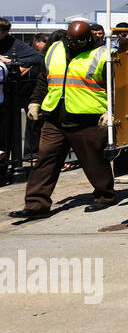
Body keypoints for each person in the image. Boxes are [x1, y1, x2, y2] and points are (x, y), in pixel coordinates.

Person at [9, 21, 117, 218]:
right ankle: (36, 204)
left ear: (89, 38)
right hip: (55, 116)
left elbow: (116, 86)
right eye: (72, 40)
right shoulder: (55, 48)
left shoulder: (103, 54)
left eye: (80, 41)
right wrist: (35, 101)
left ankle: (105, 196)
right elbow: (44, 78)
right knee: (45, 160)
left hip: (88, 116)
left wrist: (111, 110)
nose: (75, 44)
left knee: (93, 160)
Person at [0, 18, 43, 181]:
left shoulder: (15, 44)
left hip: (10, 96)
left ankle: (8, 167)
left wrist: (11, 62)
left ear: (5, 32)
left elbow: (38, 58)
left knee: (8, 135)